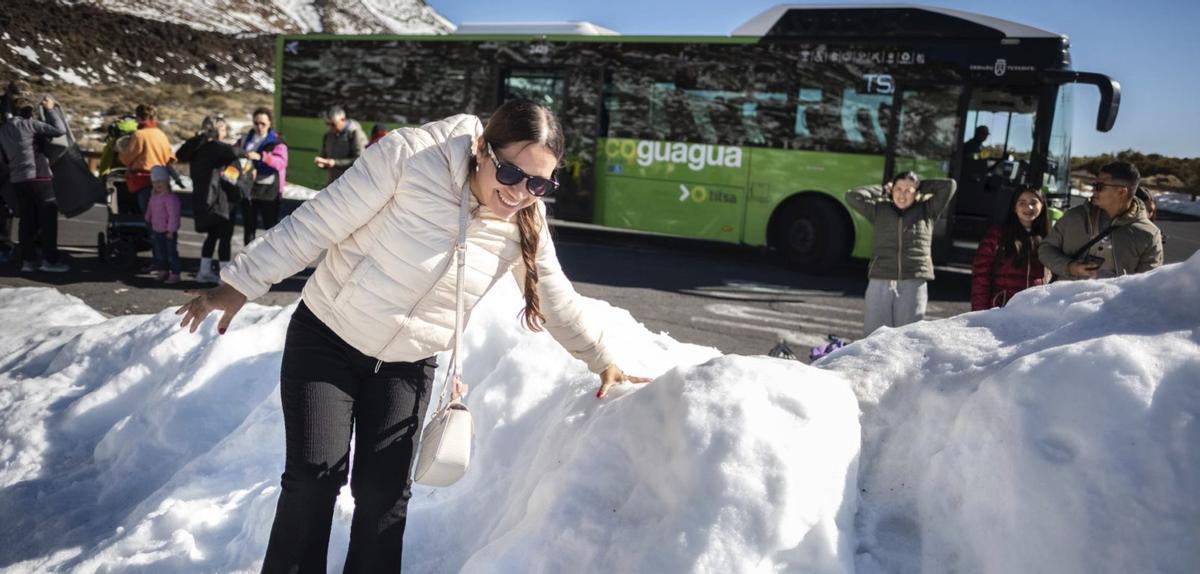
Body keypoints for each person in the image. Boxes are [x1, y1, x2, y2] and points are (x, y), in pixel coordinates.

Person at [175, 100, 650, 571]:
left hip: (407, 364)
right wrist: (240, 285)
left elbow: (556, 299)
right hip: (329, 338)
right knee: (314, 480)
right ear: (483, 149)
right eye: (510, 174)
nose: (520, 192)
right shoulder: (410, 158)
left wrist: (602, 358)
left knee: (385, 496)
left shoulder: (525, 220)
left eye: (539, 183)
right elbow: (315, 223)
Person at [847, 171, 957, 337]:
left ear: (917, 193)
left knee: (907, 337)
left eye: (908, 190)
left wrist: (920, 185)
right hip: (881, 278)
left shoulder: (928, 210)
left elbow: (949, 186)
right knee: (874, 336)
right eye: (898, 189)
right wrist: (884, 190)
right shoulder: (879, 210)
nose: (902, 195)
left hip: (913, 280)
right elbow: (852, 196)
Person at [1039, 161, 1162, 280]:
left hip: (1112, 301)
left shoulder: (1149, 234)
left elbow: (1147, 284)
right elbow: (1045, 249)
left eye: (1099, 186)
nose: (1093, 190)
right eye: (1094, 185)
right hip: (1062, 299)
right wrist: (1070, 267)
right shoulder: (1074, 216)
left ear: (1121, 191)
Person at [0, 96, 68, 272]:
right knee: (48, 218)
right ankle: (49, 261)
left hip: (18, 179)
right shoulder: (30, 125)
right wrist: (50, 109)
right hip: (39, 176)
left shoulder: (4, 129)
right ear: (29, 112)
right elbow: (60, 130)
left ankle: (28, 261)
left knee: (27, 220)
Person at [177, 115, 240, 284]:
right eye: (223, 128)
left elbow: (180, 154)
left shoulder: (197, 146)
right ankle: (224, 277)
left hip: (202, 198)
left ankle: (203, 271)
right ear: (217, 130)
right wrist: (248, 152)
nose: (225, 132)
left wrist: (201, 136)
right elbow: (233, 152)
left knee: (212, 236)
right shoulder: (214, 147)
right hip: (219, 198)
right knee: (225, 236)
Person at [970, 187, 1050, 310]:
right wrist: (979, 312)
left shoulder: (1049, 238)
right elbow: (981, 277)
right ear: (1014, 207)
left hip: (1034, 313)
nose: (1028, 208)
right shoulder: (997, 236)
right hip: (1002, 311)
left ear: (1042, 206)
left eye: (1033, 203)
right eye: (1022, 203)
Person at [236, 107, 288, 247]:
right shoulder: (246, 139)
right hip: (249, 188)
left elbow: (281, 163)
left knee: (271, 230)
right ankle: (248, 263)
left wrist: (262, 157)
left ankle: (272, 264)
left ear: (270, 123)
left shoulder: (277, 142)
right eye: (256, 123)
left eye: (263, 124)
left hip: (269, 190)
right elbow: (235, 154)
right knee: (249, 229)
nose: (259, 127)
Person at [118, 104, 176, 214]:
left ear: (138, 118)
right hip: (162, 180)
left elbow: (126, 158)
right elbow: (171, 158)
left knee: (151, 218)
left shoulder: (139, 135)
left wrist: (121, 150)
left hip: (144, 181)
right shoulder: (161, 134)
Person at [144, 165, 182, 284]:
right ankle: (163, 270)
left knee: (171, 253)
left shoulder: (170, 198)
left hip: (168, 232)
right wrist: (148, 219)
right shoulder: (154, 196)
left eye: (161, 181)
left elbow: (173, 216)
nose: (158, 184)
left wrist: (171, 230)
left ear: (167, 182)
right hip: (157, 229)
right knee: (160, 253)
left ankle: (175, 273)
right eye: (155, 182)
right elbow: (150, 209)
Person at [314, 105, 367, 186]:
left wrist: (335, 163)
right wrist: (323, 163)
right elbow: (325, 156)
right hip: (332, 184)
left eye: (333, 124)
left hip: (351, 184)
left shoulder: (354, 133)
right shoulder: (328, 136)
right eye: (328, 124)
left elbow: (359, 159)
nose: (330, 127)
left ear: (343, 120)